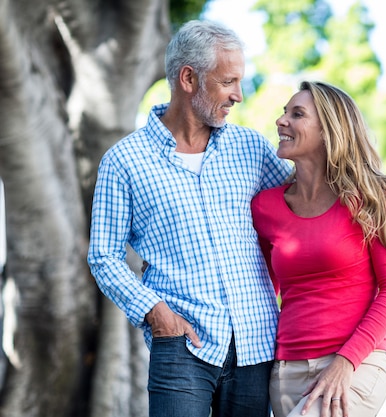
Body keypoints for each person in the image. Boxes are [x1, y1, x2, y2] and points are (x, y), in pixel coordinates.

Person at [87, 20, 292, 417]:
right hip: (182, 347)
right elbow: (103, 256)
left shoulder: (251, 148)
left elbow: (303, 203)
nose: (239, 95)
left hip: (257, 342)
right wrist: (155, 313)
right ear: (188, 78)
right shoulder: (124, 161)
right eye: (228, 81)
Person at [251, 81, 386, 417]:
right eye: (284, 112)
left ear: (329, 131)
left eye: (297, 114)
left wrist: (345, 362)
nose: (281, 121)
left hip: (355, 365)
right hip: (287, 372)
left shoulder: (372, 198)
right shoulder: (265, 206)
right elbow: (265, 289)